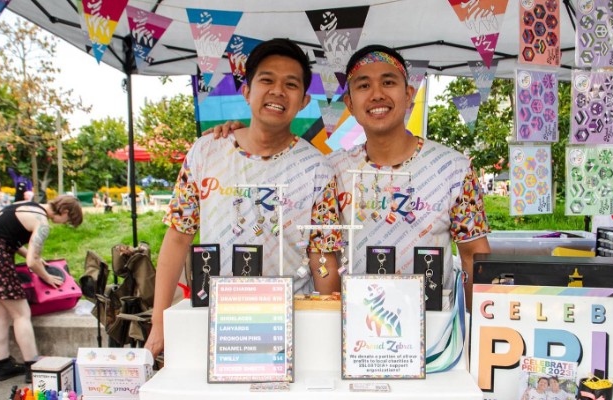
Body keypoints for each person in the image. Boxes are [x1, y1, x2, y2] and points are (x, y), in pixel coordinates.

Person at [208, 44, 491, 309]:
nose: (377, 93)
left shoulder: (452, 169)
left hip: (433, 332)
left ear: (408, 95)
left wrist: (476, 330)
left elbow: (473, 257)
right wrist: (237, 136)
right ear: (350, 103)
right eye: (364, 85)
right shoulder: (330, 170)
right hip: (352, 333)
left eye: (389, 82)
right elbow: (317, 253)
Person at [144, 38, 342, 358]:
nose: (277, 91)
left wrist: (330, 329)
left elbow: (323, 255)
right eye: (266, 80)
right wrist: (159, 323)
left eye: (290, 84)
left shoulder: (318, 169)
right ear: (247, 91)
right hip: (216, 320)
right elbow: (178, 236)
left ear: (304, 100)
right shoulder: (206, 151)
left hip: (289, 324)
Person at [0, 195, 83, 382]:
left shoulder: (24, 205)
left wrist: (32, 254)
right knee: (21, 314)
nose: (64, 223)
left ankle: (4, 364)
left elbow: (6, 235)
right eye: (68, 220)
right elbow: (32, 263)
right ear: (64, 211)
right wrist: (47, 276)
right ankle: (32, 367)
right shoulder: (42, 222)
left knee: (0, 312)